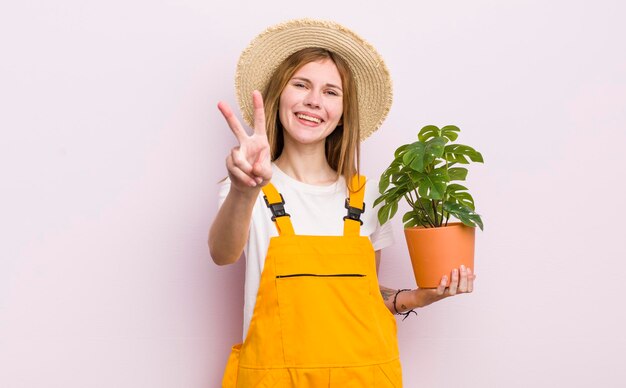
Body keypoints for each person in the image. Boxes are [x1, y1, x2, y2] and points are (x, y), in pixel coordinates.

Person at [209, 19, 476, 387]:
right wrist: (244, 189)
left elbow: (363, 296)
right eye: (301, 84)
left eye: (331, 92)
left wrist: (418, 296)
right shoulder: (247, 186)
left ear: (343, 114)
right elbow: (222, 254)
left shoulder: (363, 198)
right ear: (278, 96)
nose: (314, 101)